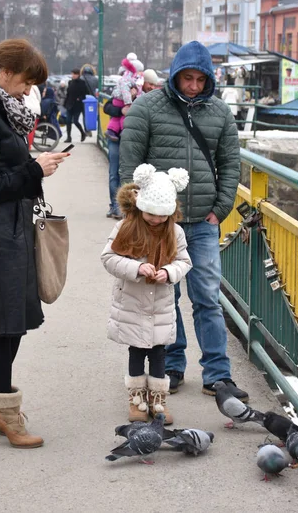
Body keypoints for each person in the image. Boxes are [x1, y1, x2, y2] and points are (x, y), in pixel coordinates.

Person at [119, 40, 248, 401]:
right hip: (160, 224)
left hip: (203, 222)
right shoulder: (147, 108)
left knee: (207, 296)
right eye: (187, 78)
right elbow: (128, 165)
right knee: (166, 297)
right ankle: (172, 367)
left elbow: (231, 164)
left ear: (209, 80)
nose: (193, 86)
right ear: (175, 76)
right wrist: (136, 217)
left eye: (200, 80)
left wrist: (220, 209)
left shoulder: (220, 113)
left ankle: (218, 374)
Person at [0, 39, 70, 448]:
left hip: (8, 227)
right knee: (6, 325)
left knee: (13, 322)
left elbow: (0, 173)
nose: (27, 91)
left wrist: (35, 168)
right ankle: (5, 414)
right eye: (26, 82)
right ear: (4, 74)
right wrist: (34, 169)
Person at [102, 164, 192, 425]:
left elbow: (185, 261)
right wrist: (137, 267)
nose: (155, 219)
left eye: (161, 215)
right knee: (136, 350)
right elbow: (108, 258)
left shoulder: (175, 233)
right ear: (141, 207)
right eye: (150, 214)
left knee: (159, 351)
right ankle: (137, 398)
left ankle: (158, 399)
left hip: (161, 303)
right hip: (132, 299)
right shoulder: (125, 227)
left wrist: (170, 272)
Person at [105, 57, 140, 142]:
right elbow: (107, 107)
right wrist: (121, 110)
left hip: (131, 137)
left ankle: (113, 130)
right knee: (123, 117)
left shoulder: (127, 84)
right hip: (123, 136)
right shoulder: (127, 83)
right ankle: (122, 131)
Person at [63, 68, 88, 143]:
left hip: (77, 105)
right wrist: (65, 103)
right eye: (72, 74)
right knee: (68, 121)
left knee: (75, 121)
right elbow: (68, 94)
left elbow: (85, 94)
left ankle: (82, 133)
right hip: (69, 104)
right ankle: (68, 137)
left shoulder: (82, 83)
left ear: (78, 75)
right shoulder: (70, 82)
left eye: (74, 74)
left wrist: (79, 98)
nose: (73, 75)